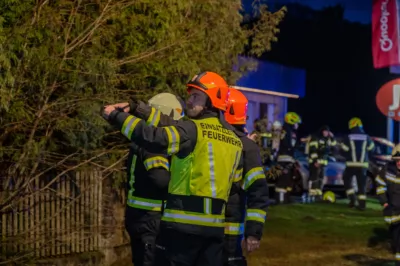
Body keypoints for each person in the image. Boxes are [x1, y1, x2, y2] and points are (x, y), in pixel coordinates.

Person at [102, 71, 243, 266]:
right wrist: (137, 107)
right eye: (189, 95)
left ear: (213, 100)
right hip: (214, 232)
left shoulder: (193, 130)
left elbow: (152, 137)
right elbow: (235, 186)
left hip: (182, 230)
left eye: (196, 96)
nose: (189, 101)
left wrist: (116, 117)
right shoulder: (234, 141)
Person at [106, 94, 183, 266]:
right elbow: (160, 179)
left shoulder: (142, 140)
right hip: (150, 220)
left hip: (140, 218)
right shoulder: (152, 146)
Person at [223, 88, 269, 266]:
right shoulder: (244, 145)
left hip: (228, 232)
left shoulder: (246, 147)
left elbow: (258, 191)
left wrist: (253, 232)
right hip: (210, 232)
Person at [341, 117, 375, 210]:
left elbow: (343, 150)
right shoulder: (367, 137)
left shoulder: (348, 137)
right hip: (363, 165)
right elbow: (372, 149)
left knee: (347, 180)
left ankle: (352, 199)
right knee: (362, 185)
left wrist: (348, 155)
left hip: (351, 165)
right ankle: (362, 205)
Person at [375, 144, 400, 265]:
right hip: (392, 210)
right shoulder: (387, 170)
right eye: (397, 160)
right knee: (395, 238)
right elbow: (380, 185)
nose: (399, 163)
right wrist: (384, 202)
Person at [274, 112, 302, 204]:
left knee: (288, 181)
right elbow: (288, 145)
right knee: (283, 181)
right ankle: (281, 200)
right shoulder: (287, 131)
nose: (297, 125)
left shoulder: (286, 130)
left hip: (287, 159)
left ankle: (286, 198)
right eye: (296, 123)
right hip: (285, 159)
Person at [307, 125, 336, 202]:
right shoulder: (315, 138)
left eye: (327, 132)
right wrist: (315, 161)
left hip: (322, 164)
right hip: (315, 163)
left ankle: (318, 195)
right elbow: (313, 150)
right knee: (314, 179)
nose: (326, 133)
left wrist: (332, 137)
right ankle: (312, 195)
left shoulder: (327, 140)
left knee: (321, 179)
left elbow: (334, 145)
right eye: (325, 131)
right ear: (322, 131)